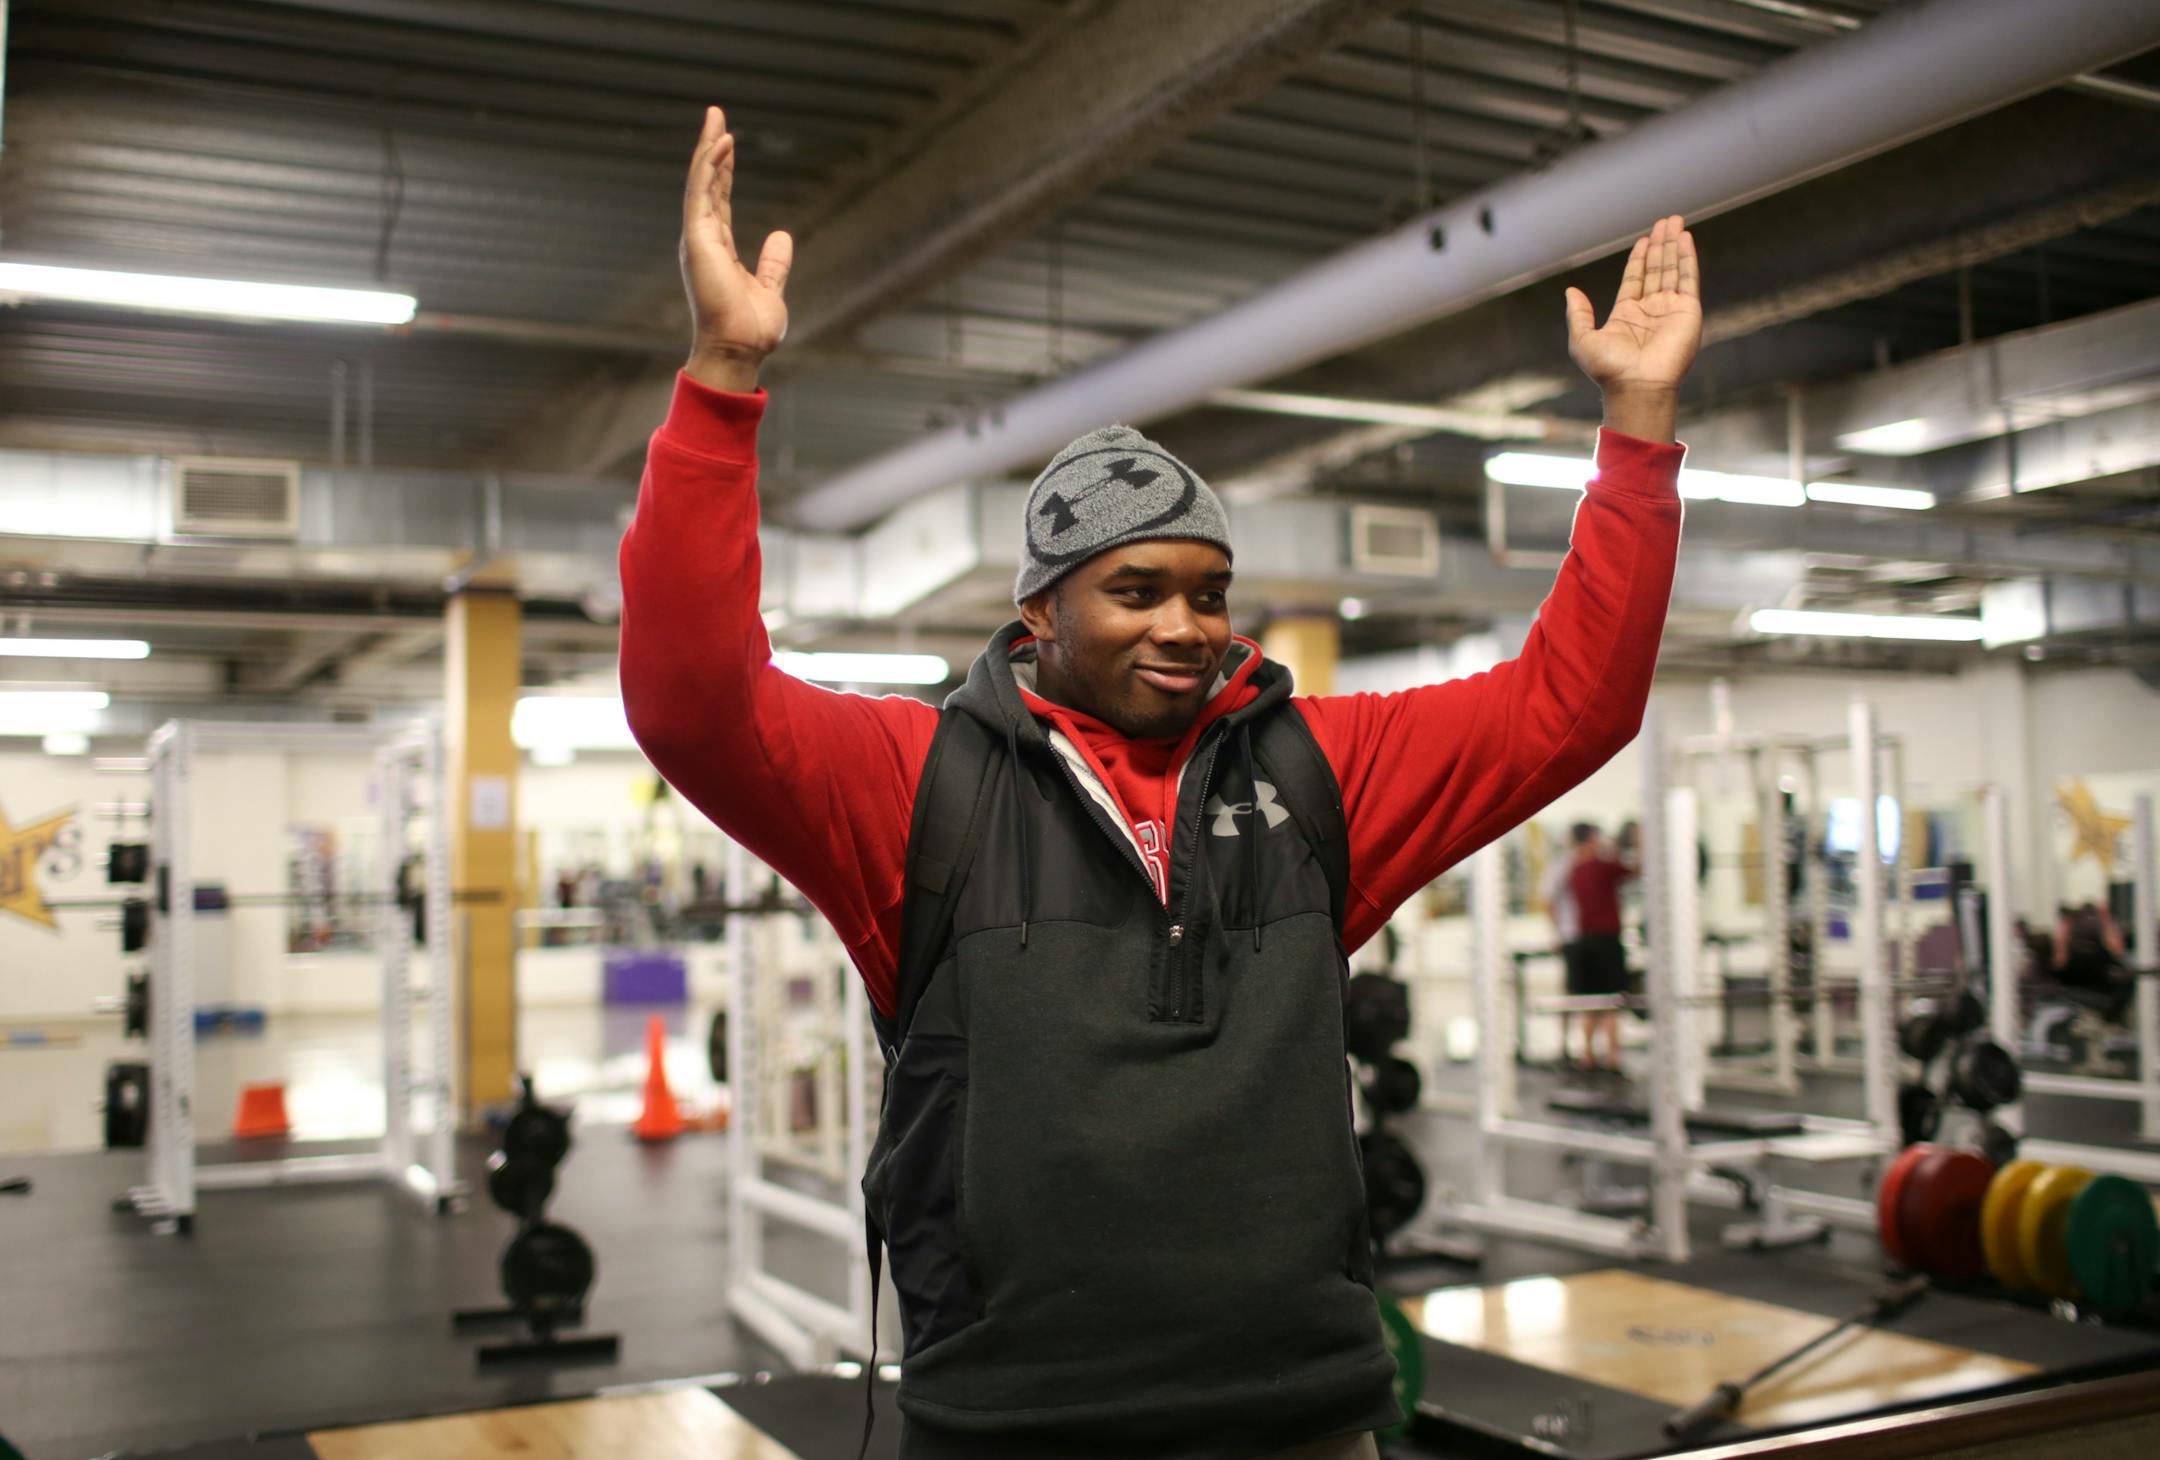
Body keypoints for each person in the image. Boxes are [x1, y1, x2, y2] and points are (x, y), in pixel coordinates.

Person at [621, 105, 1697, 1460]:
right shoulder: (921, 785)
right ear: (1039, 614)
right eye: (1136, 590)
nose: (1186, 627)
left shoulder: (1314, 772)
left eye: (1208, 591)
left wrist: (1637, 426)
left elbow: (1571, 705)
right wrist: (722, 375)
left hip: (1304, 1417)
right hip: (1012, 1429)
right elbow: (694, 704)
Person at [1563, 823, 1637, 1075]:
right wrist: (1630, 845)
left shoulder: (1574, 869)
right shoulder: (1602, 867)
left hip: (1584, 941)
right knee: (1612, 1001)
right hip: (1605, 940)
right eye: (1597, 838)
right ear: (1592, 840)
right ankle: (1613, 1059)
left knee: (1589, 1001)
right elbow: (1635, 870)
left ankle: (1588, 1057)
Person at [1539, 837, 1582, 1066]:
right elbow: (1547, 899)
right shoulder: (1563, 865)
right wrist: (1556, 932)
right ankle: (1565, 1046)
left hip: (1585, 935)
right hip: (1571, 935)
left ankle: (1586, 1051)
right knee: (1571, 992)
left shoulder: (1589, 863)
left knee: (1593, 996)